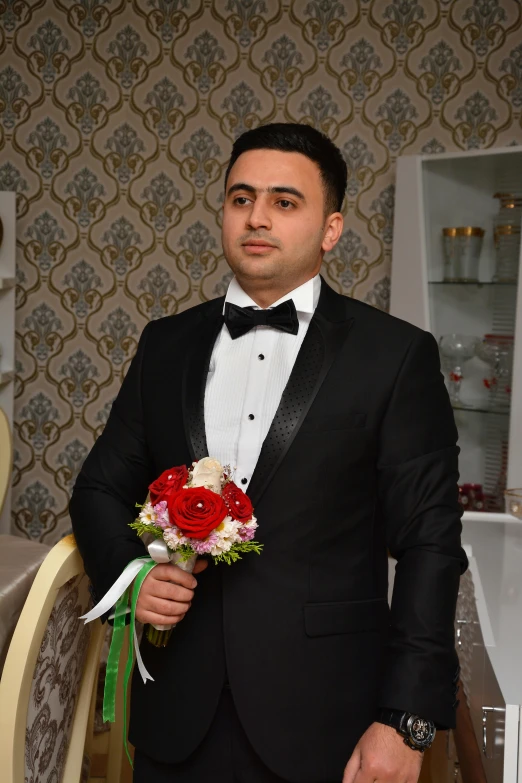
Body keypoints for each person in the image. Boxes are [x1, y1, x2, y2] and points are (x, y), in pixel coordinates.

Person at [70, 122, 467, 783]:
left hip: (327, 718)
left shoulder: (394, 355)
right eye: (240, 197)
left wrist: (407, 719)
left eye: (285, 201)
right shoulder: (164, 344)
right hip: (177, 713)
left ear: (331, 229)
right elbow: (97, 490)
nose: (257, 217)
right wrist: (132, 577)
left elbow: (431, 540)